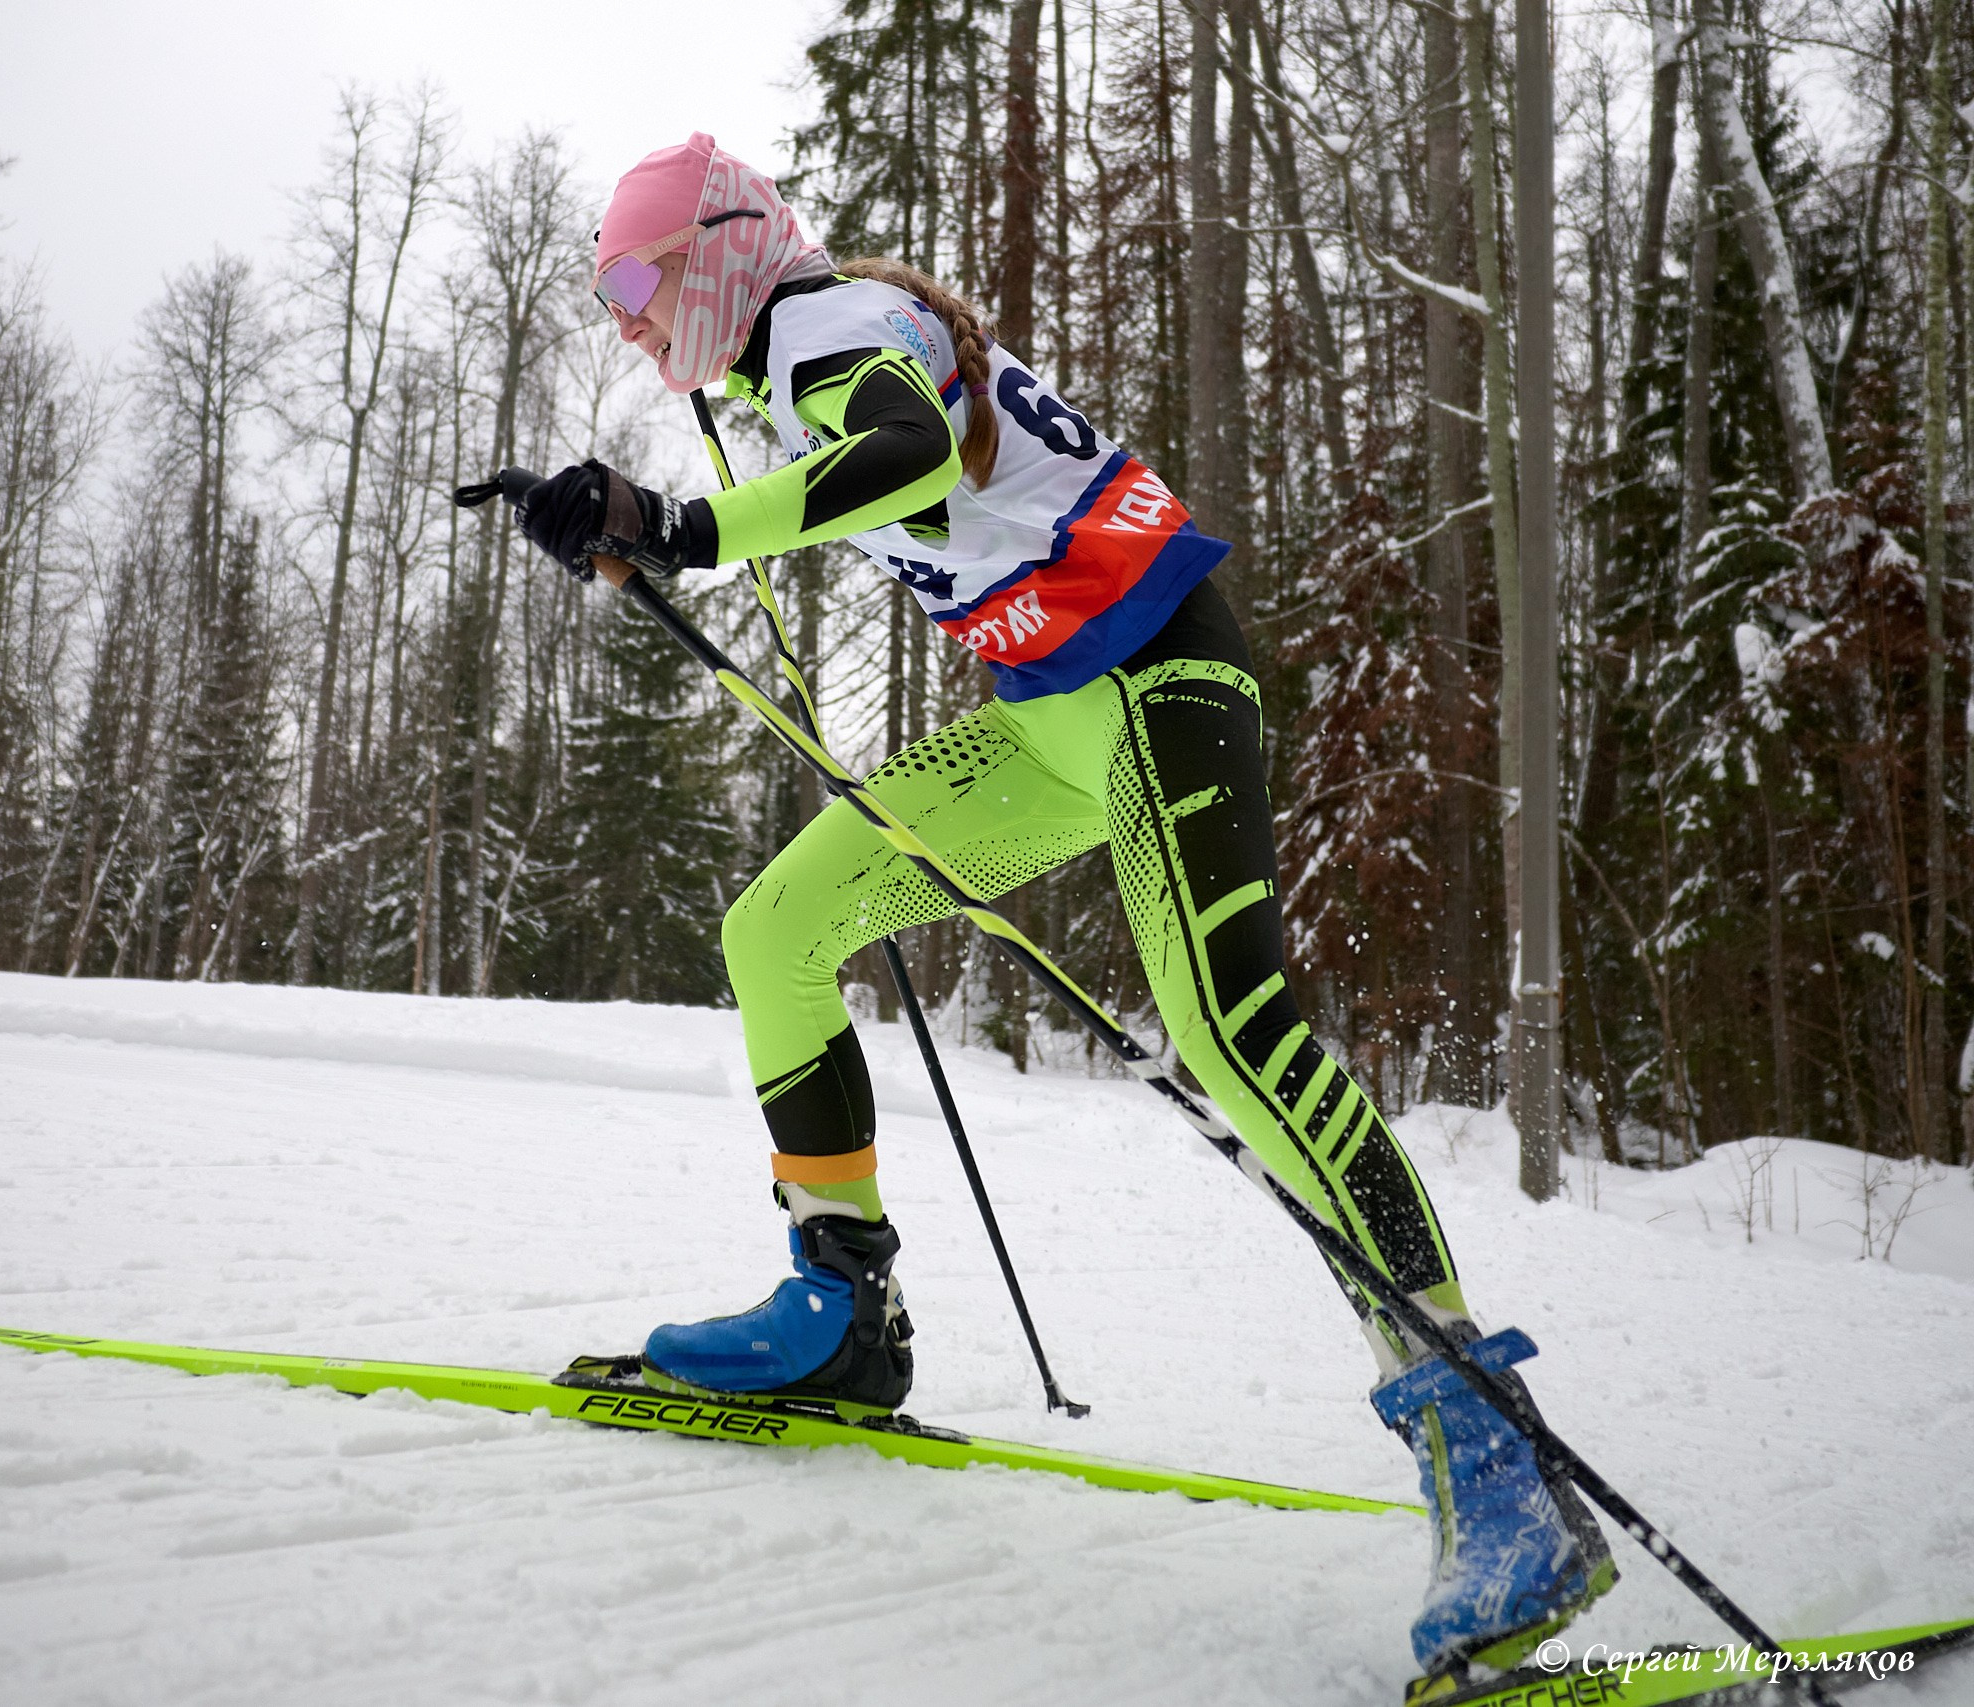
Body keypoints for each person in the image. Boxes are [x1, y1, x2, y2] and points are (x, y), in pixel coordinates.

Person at [510, 132, 1613, 1694]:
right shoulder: (799, 351)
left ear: (728, 252)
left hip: (1157, 679)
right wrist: (640, 527)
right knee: (780, 929)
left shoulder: (832, 325)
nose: (625, 314)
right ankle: (840, 1311)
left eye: (638, 278)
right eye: (610, 290)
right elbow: (879, 487)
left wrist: (679, 525)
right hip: (1044, 726)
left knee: (1236, 1041)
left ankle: (1494, 1459)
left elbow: (891, 456)